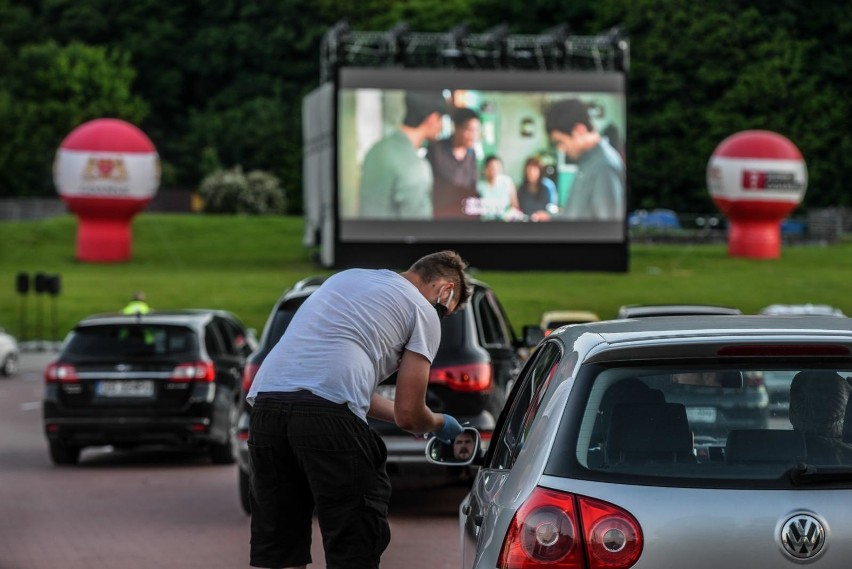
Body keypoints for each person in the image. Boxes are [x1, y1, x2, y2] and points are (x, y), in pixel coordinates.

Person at [245, 250, 472, 569]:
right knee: (355, 541)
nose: (442, 318)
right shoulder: (424, 311)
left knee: (278, 544)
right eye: (446, 312)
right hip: (327, 416)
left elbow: (353, 394)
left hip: (267, 405)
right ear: (446, 290)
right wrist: (439, 423)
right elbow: (409, 414)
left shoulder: (345, 278)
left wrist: (413, 418)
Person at [358, 91, 449, 219]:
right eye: (441, 120)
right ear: (432, 119)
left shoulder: (375, 150)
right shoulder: (416, 168)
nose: (441, 126)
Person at [545, 99, 625, 220]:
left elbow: (608, 230)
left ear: (579, 130)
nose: (561, 149)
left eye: (560, 142)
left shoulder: (605, 166)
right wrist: (550, 219)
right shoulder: (587, 161)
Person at [426, 107, 481, 219]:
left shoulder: (472, 155)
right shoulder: (437, 150)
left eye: (477, 131)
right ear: (456, 127)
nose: (474, 136)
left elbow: (472, 186)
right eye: (470, 130)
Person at [476, 155, 523, 221]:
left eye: (497, 167)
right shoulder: (479, 186)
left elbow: (515, 206)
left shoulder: (507, 181)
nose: (494, 170)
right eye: (491, 167)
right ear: (485, 169)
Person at [516, 156, 558, 222]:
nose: (531, 173)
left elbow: (553, 207)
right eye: (529, 170)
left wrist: (545, 215)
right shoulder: (521, 189)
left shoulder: (548, 186)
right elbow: (518, 209)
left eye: (535, 170)